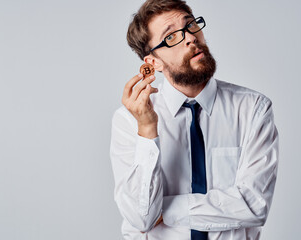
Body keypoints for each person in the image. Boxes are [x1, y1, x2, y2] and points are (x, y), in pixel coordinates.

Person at [110, 0, 279, 239]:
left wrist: (166, 210)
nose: (190, 38)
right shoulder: (129, 121)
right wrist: (147, 129)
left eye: (190, 25)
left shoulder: (252, 109)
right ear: (153, 62)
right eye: (171, 37)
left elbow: (254, 205)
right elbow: (141, 218)